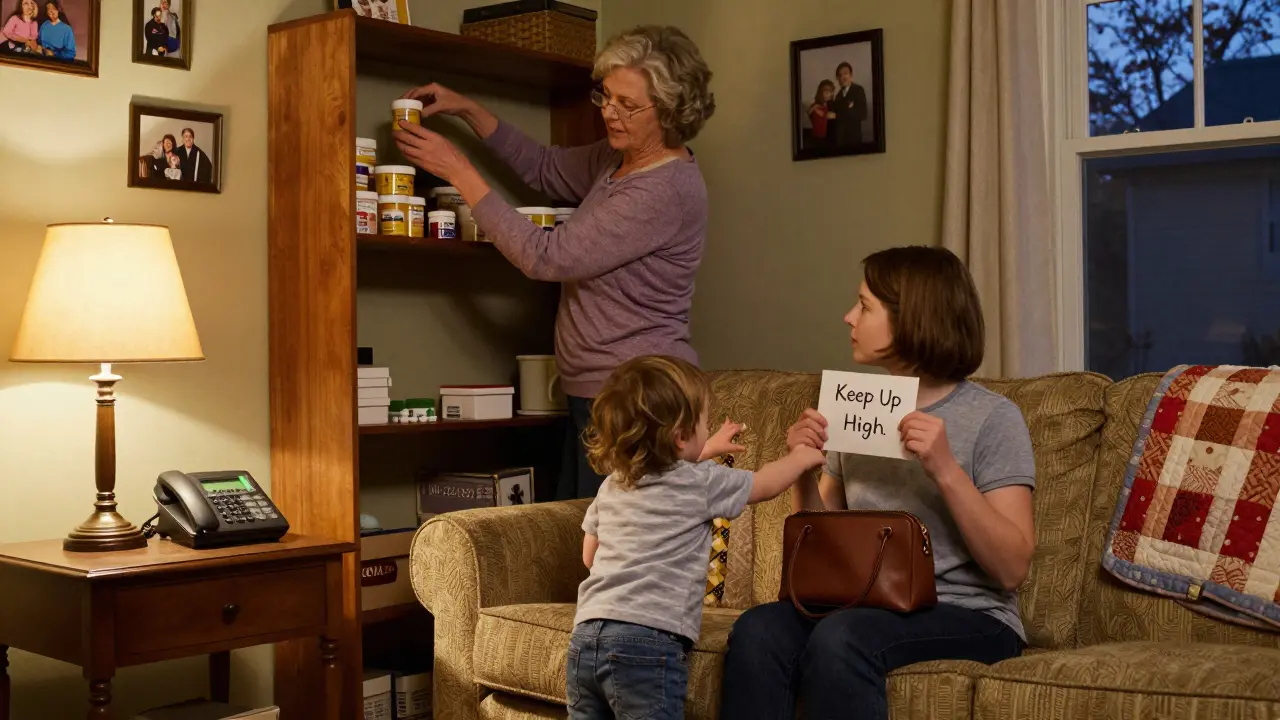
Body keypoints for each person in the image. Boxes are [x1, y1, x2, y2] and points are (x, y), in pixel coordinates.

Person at [394, 25, 716, 501]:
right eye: (606, 96)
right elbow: (545, 167)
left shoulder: (663, 191)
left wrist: (459, 170)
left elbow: (544, 256)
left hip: (639, 400)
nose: (610, 112)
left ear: (669, 112)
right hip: (599, 394)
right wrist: (468, 110)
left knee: (604, 553)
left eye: (628, 105)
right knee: (577, 543)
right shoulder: (619, 159)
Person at [719, 246, 1036, 720]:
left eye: (864, 306)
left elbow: (1012, 567)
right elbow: (824, 548)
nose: (848, 317)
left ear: (912, 317)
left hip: (972, 614)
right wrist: (803, 473)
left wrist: (946, 469)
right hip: (861, 600)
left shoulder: (994, 418)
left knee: (842, 636)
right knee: (758, 628)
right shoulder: (856, 407)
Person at [571, 355, 826, 720]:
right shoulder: (702, 483)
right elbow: (765, 484)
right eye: (705, 422)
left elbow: (589, 557)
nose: (707, 429)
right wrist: (799, 458)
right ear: (679, 437)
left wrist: (705, 448)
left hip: (586, 637)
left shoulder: (613, 484)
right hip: (648, 643)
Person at [829, 61, 869, 149]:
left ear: (851, 75)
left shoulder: (858, 90)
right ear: (837, 78)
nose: (842, 77)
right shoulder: (838, 96)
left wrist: (838, 115)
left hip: (854, 141)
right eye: (839, 75)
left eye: (845, 74)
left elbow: (863, 114)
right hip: (840, 142)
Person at [807, 79, 835, 148]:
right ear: (821, 92)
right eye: (827, 92)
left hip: (828, 139)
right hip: (817, 140)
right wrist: (814, 108)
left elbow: (832, 116)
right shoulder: (815, 106)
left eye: (831, 92)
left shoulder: (831, 105)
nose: (830, 94)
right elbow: (808, 113)